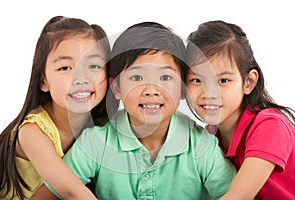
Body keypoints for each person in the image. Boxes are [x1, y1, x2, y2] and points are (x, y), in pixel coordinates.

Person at [32, 21, 236, 200]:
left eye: (165, 78)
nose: (151, 90)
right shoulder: (96, 142)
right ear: (117, 88)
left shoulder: (201, 145)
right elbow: (49, 194)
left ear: (182, 89)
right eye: (137, 78)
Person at [0, 16, 113, 199]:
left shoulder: (101, 130)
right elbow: (71, 192)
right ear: (43, 81)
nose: (81, 78)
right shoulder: (32, 131)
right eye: (65, 68)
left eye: (94, 66)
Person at [185, 20, 295, 199]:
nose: (209, 93)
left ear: (248, 82)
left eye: (223, 81)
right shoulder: (208, 137)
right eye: (197, 80)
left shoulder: (269, 125)